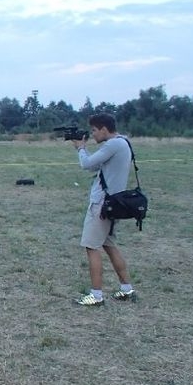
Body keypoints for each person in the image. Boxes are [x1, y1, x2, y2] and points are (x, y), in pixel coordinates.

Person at [71, 113, 136, 306]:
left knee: (92, 247)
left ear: (104, 129)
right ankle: (126, 289)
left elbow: (86, 164)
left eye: (94, 130)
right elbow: (96, 167)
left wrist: (81, 149)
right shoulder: (124, 142)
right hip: (113, 203)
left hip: (102, 204)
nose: (92, 134)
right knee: (108, 245)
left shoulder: (112, 145)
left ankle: (96, 295)